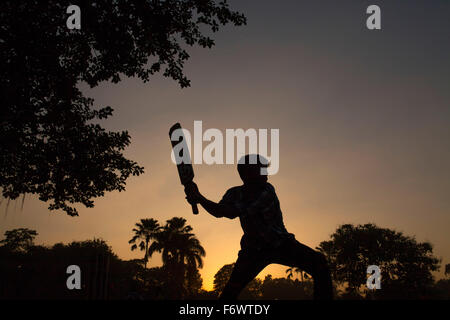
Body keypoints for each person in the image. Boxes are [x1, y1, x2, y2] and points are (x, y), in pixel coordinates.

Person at [184, 154, 333, 300]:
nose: (266, 173)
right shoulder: (234, 193)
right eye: (261, 170)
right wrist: (198, 197)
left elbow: (230, 212)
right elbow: (218, 211)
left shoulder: (267, 190)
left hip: (280, 244)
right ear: (247, 174)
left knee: (319, 263)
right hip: (253, 250)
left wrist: (199, 198)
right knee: (230, 293)